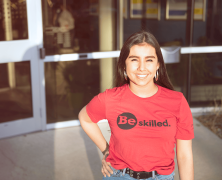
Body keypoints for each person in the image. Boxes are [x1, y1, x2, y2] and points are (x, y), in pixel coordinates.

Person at [78, 31, 194, 180]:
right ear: (124, 65)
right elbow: (85, 118)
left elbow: (184, 155)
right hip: (119, 176)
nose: (141, 67)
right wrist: (106, 151)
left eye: (149, 60)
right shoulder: (110, 98)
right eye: (134, 59)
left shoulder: (177, 101)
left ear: (158, 64)